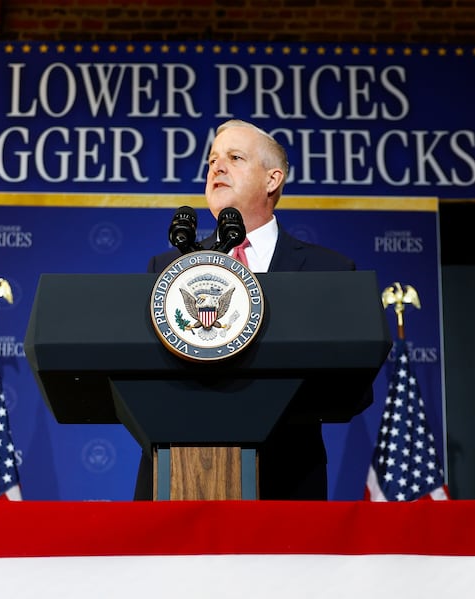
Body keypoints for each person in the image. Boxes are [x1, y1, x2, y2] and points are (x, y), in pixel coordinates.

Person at [135, 118, 372, 500]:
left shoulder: (326, 271)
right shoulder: (166, 268)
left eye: (235, 157)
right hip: (177, 478)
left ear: (272, 179)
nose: (217, 167)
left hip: (287, 481)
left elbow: (354, 389)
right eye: (212, 159)